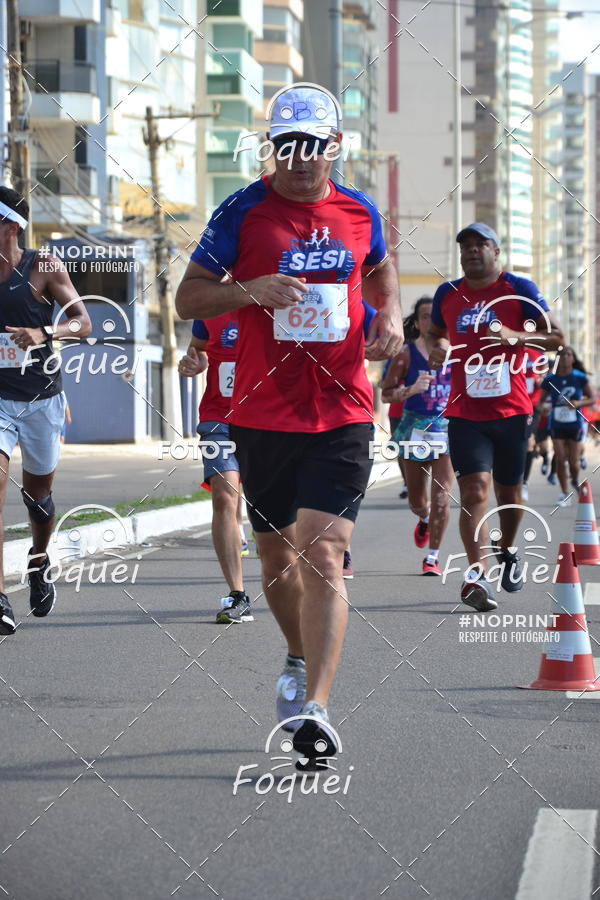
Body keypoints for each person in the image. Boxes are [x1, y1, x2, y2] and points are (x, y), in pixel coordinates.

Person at [175, 83, 403, 757]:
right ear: (272, 147)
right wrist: (248, 290)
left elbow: (383, 269)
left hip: (343, 411)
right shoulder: (242, 213)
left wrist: (386, 315)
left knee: (322, 549)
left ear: (335, 146)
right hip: (263, 414)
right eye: (286, 146)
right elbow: (187, 295)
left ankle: (318, 710)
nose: (300, 160)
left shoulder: (360, 212)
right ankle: (298, 659)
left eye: (314, 147)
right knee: (276, 558)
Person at [428, 222, 563, 612]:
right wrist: (438, 348)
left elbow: (556, 338)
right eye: (466, 246)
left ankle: (507, 550)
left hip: (511, 410)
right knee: (474, 492)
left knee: (511, 494)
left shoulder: (519, 290)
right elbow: (437, 334)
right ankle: (477, 577)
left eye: (481, 244)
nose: (472, 251)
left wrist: (517, 336)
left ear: (496, 252)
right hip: (465, 412)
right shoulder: (447, 294)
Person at [0, 186, 91, 635]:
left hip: (41, 399)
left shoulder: (44, 266)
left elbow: (83, 321)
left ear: (12, 225)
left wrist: (44, 331)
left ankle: (39, 560)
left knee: (39, 499)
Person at [178, 313, 253, 623]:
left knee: (274, 501)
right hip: (218, 419)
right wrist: (194, 362)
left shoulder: (273, 301)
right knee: (225, 496)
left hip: (268, 419)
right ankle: (237, 594)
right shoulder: (210, 306)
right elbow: (198, 349)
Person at [382, 297, 452, 575]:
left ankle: (432, 557)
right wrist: (411, 390)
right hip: (415, 429)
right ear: (417, 322)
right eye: (425, 316)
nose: (431, 321)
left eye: (436, 316)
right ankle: (423, 519)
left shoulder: (456, 353)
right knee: (417, 501)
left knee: (442, 497)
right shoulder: (406, 354)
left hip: (446, 429)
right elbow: (386, 392)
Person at [537, 346, 593, 507]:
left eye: (568, 355)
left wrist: (579, 403)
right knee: (560, 458)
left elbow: (590, 399)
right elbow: (540, 402)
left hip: (574, 422)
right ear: (558, 359)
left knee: (574, 462)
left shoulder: (579, 378)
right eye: (561, 355)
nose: (565, 357)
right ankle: (564, 493)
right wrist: (543, 409)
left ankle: (575, 479)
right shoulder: (550, 380)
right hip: (557, 423)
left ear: (573, 359)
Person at [521, 347, 548, 501]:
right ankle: (513, 479)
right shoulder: (510, 348)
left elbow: (544, 373)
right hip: (512, 404)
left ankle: (524, 482)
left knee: (529, 442)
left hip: (532, 405)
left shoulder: (537, 353)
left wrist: (541, 379)